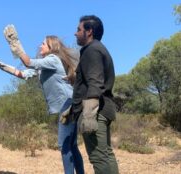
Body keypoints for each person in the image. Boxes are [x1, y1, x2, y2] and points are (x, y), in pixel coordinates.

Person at [0, 25, 85, 174]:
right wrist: (2, 66)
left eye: (43, 43)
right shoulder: (45, 65)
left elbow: (28, 62)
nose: (40, 45)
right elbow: (22, 73)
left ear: (51, 46)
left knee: (64, 146)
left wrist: (14, 43)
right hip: (70, 103)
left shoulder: (52, 59)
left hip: (68, 104)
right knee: (71, 146)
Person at [72, 15, 119, 174]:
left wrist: (89, 114)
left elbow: (95, 82)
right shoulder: (98, 49)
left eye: (79, 30)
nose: (75, 33)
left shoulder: (91, 50)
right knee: (106, 155)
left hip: (96, 111)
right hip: (104, 109)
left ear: (89, 31)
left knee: (98, 157)